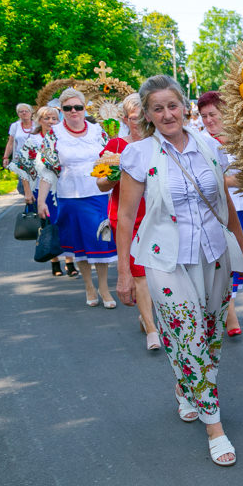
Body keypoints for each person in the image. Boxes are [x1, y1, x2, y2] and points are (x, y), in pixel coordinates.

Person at [115, 75, 243, 467]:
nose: (167, 114)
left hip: (213, 253)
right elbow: (125, 218)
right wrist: (125, 272)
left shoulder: (210, 147)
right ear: (148, 114)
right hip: (163, 259)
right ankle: (214, 426)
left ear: (184, 107)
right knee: (187, 332)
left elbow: (223, 200)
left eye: (172, 106)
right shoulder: (138, 155)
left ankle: (185, 384)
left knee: (208, 334)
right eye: (158, 108)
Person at [37, 88, 117, 307]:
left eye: (78, 107)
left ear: (85, 109)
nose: (73, 111)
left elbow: (112, 160)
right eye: (68, 108)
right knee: (80, 245)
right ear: (61, 110)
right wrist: (41, 200)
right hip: (69, 197)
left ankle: (104, 288)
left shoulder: (98, 131)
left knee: (102, 242)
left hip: (99, 195)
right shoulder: (54, 135)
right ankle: (89, 287)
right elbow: (47, 169)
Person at [95, 93, 160, 350]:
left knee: (158, 274)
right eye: (134, 119)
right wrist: (114, 172)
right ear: (125, 119)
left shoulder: (159, 142)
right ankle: (152, 330)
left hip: (159, 216)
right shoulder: (115, 146)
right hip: (127, 218)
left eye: (144, 116)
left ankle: (146, 315)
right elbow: (101, 184)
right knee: (140, 274)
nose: (140, 122)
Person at [197, 90, 243, 336]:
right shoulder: (200, 143)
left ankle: (227, 309)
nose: (208, 120)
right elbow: (210, 180)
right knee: (227, 259)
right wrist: (237, 179)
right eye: (203, 115)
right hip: (221, 210)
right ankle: (230, 314)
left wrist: (233, 179)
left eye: (213, 114)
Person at [9, 106, 78, 277]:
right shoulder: (33, 141)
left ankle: (70, 261)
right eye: (46, 118)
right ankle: (54, 261)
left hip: (64, 188)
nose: (50, 122)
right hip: (43, 189)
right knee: (49, 224)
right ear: (39, 120)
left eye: (54, 118)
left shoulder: (63, 138)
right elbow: (24, 168)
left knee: (66, 223)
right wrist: (27, 192)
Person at [3, 103, 34, 171]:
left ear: (31, 113)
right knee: (22, 180)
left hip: (35, 159)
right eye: (21, 111)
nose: (24, 113)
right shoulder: (15, 126)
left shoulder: (37, 125)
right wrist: (6, 157)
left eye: (26, 111)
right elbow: (10, 143)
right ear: (18, 114)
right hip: (20, 159)